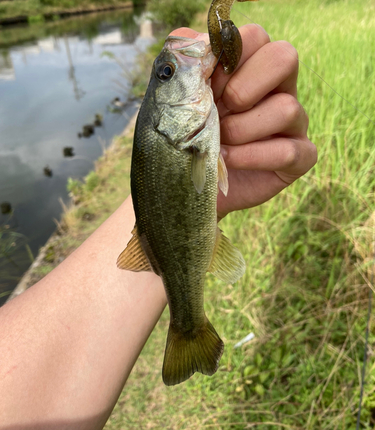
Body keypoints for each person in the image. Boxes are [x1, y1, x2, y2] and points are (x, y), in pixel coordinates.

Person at [0, 25, 317, 430]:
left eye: (163, 74)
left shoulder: (179, 130)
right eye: (166, 75)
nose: (170, 66)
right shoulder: (173, 132)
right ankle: (188, 326)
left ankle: (188, 324)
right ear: (161, 114)